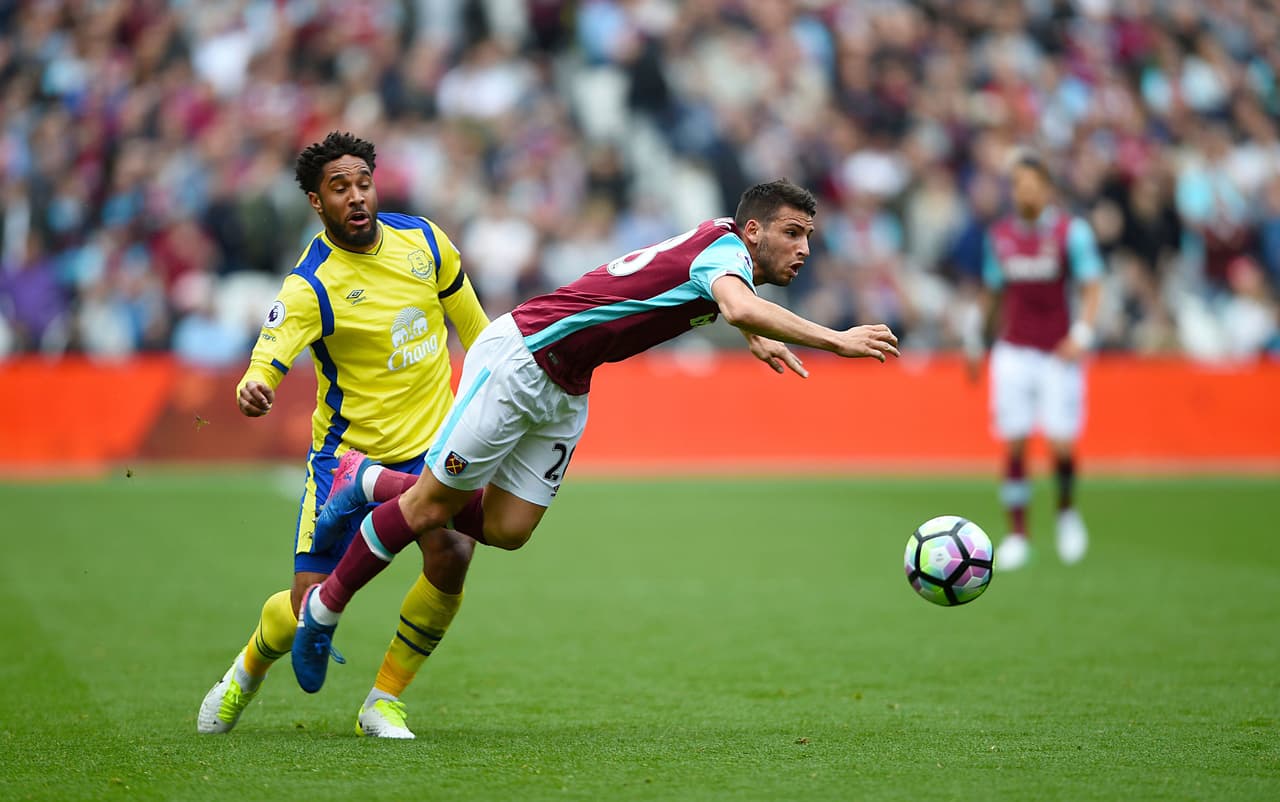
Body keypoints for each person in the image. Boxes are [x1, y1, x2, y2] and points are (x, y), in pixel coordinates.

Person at [291, 179, 901, 694]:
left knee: (508, 530)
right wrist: (836, 339)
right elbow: (734, 300)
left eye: (810, 238)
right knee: (430, 507)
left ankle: (368, 478)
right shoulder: (724, 256)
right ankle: (326, 606)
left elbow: (709, 285)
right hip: (522, 356)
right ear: (752, 231)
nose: (804, 249)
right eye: (792, 233)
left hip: (568, 383)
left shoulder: (721, 239)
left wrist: (748, 330)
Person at [196, 131, 490, 739]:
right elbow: (267, 357)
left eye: (363, 183)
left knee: (453, 553)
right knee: (307, 611)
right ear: (316, 202)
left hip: (430, 453)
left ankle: (382, 701)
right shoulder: (311, 284)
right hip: (345, 461)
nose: (357, 197)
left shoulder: (425, 243)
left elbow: (480, 335)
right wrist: (254, 385)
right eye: (340, 188)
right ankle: (244, 673)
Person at [964, 153, 1103, 571]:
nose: (1023, 190)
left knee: (1061, 442)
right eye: (1017, 183)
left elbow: (1093, 285)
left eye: (1031, 182)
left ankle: (1065, 514)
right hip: (1013, 350)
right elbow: (992, 292)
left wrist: (1082, 334)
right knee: (1016, 441)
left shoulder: (1070, 232)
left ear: (1046, 188)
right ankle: (1018, 535)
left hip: (1057, 351)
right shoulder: (1000, 235)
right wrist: (975, 340)